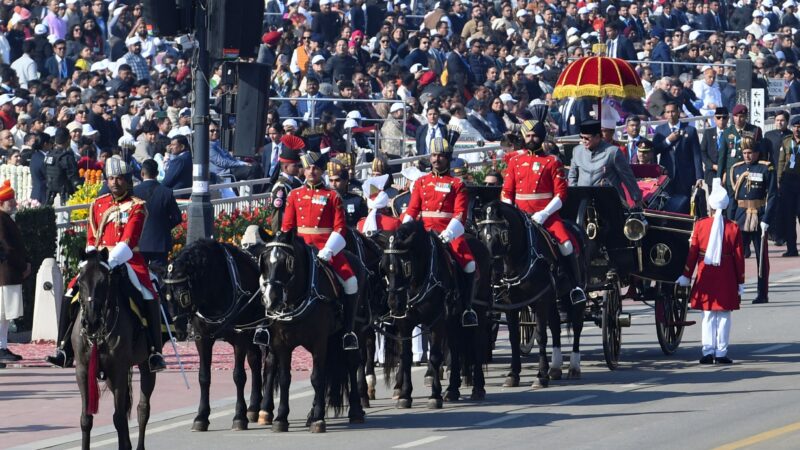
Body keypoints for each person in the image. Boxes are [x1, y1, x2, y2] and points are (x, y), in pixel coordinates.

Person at [46, 158, 166, 371]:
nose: (115, 182)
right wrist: (92, 260)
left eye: (119, 178)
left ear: (127, 181)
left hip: (127, 259)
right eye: (111, 178)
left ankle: (155, 351)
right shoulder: (98, 204)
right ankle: (63, 348)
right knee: (70, 293)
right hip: (98, 259)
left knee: (148, 295)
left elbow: (129, 240)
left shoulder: (137, 206)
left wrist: (108, 263)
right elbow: (92, 239)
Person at [279, 150, 360, 350]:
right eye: (307, 168)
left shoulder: (332, 196)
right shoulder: (294, 195)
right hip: (300, 249)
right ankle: (266, 326)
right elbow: (287, 227)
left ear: (322, 170)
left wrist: (330, 250)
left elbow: (340, 227)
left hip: (326, 249)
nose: (311, 171)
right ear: (303, 171)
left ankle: (348, 331)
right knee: (272, 277)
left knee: (351, 282)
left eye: (315, 168)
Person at [501, 120, 586, 304]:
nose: (531, 139)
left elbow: (561, 194)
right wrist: (510, 212)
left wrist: (544, 214)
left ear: (542, 137)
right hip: (520, 217)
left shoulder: (552, 161)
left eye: (535, 135)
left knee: (566, 245)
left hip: (547, 217)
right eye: (528, 135)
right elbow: (507, 192)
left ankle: (575, 286)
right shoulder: (515, 161)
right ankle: (500, 285)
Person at [403, 138, 479, 327]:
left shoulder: (456, 184)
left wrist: (448, 234)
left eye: (441, 156)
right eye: (434, 155)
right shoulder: (421, 182)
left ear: (448, 158)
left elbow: (460, 214)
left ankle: (467, 308)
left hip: (448, 233)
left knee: (469, 264)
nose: (437, 160)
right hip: (424, 233)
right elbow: (412, 210)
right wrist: (403, 230)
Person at [677, 182, 744, 364]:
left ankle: (707, 351)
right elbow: (739, 258)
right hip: (727, 275)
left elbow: (692, 253)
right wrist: (740, 281)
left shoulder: (700, 225)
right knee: (723, 316)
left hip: (706, 273)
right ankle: (721, 352)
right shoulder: (733, 227)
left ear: (711, 206)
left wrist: (686, 274)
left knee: (707, 315)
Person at [728, 139, 776, 303]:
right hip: (741, 217)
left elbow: (773, 195)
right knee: (737, 257)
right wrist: (730, 219)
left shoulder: (765, 167)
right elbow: (733, 197)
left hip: (759, 215)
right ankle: (736, 292)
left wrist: (767, 219)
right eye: (745, 153)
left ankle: (762, 293)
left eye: (750, 153)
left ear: (756, 153)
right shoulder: (737, 168)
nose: (747, 156)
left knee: (762, 258)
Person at [568, 120, 643, 206]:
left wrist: (637, 198)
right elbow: (572, 176)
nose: (583, 141)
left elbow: (627, 177)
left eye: (587, 138)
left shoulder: (613, 152)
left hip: (608, 202)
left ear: (597, 137)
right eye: (581, 137)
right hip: (584, 201)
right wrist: (574, 195)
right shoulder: (577, 151)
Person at [0, 181, 30, 363]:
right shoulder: (1, 219)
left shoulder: (5, 218)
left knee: (4, 315)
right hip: (5, 273)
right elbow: (7, 247)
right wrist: (23, 265)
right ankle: (1, 346)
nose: (14, 202)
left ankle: (2, 345)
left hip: (9, 273)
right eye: (9, 200)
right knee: (2, 314)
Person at [133, 159, 182, 267]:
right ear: (157, 173)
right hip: (160, 241)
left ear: (142, 173)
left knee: (140, 275)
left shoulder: (133, 192)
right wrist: (164, 226)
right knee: (159, 275)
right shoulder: (166, 192)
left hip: (138, 241)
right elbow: (177, 217)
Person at [653, 101, 703, 201]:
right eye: (667, 112)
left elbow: (696, 154)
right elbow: (654, 151)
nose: (670, 114)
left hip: (686, 176)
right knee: (667, 205)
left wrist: (699, 176)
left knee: (685, 204)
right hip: (667, 175)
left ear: (678, 112)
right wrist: (668, 140)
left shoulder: (690, 130)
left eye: (673, 111)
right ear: (665, 114)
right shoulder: (659, 130)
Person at [268, 140, 302, 234]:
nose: (298, 168)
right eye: (295, 166)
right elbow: (278, 215)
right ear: (286, 167)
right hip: (285, 233)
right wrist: (278, 234)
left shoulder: (295, 182)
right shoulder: (281, 187)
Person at [777, 116, 800, 257]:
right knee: (789, 216)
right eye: (795, 126)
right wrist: (779, 180)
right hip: (788, 181)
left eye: (799, 126)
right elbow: (780, 162)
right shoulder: (786, 142)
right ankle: (792, 248)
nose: (797, 129)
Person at [44, 128, 82, 206]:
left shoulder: (49, 155)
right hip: (65, 197)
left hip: (50, 195)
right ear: (68, 139)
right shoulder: (66, 157)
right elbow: (74, 179)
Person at [328, 158, 367, 227]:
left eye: (337, 180)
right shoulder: (325, 200)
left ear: (346, 181)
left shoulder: (357, 201)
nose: (333, 184)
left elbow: (364, 224)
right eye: (331, 180)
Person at [700, 107, 729, 186]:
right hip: (711, 173)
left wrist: (725, 169)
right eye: (718, 117)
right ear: (714, 118)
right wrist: (712, 165)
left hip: (727, 174)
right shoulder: (708, 133)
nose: (721, 120)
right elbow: (702, 152)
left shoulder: (731, 133)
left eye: (724, 117)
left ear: (728, 118)